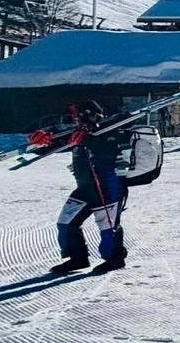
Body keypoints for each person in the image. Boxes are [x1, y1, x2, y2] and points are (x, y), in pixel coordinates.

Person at [51, 103, 130, 274]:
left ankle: (115, 259)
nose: (77, 121)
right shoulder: (78, 133)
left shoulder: (109, 130)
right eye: (76, 119)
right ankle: (78, 258)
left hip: (108, 187)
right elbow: (58, 143)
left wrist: (88, 140)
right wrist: (43, 140)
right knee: (66, 222)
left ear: (93, 115)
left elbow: (107, 150)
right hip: (86, 187)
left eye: (80, 117)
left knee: (108, 226)